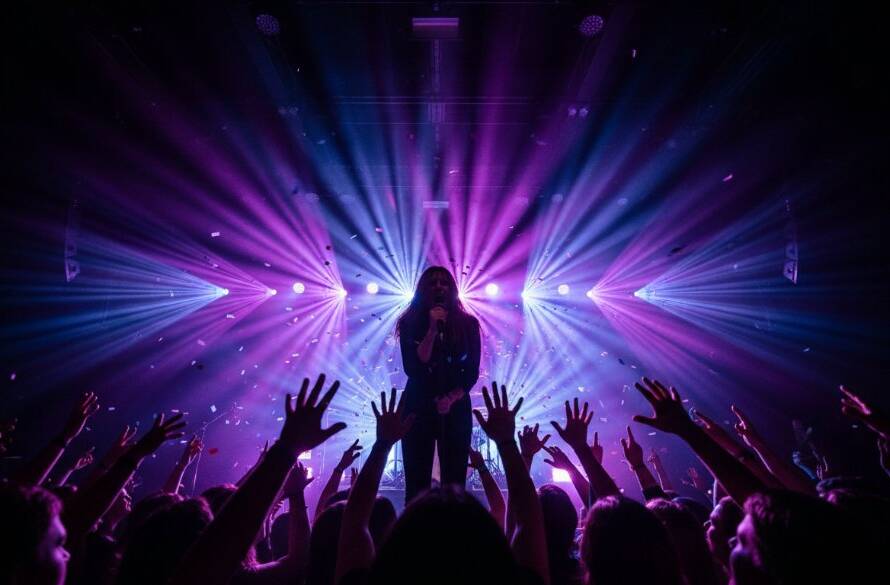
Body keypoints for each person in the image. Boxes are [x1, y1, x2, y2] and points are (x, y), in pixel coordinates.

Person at [397, 266, 481, 503]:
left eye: (444, 282)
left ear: (452, 289)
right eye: (432, 283)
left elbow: (472, 371)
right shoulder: (409, 323)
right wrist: (433, 330)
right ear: (423, 289)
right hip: (418, 406)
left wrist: (451, 398)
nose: (439, 287)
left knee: (454, 481)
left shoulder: (468, 324)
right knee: (416, 481)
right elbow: (413, 367)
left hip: (455, 407)